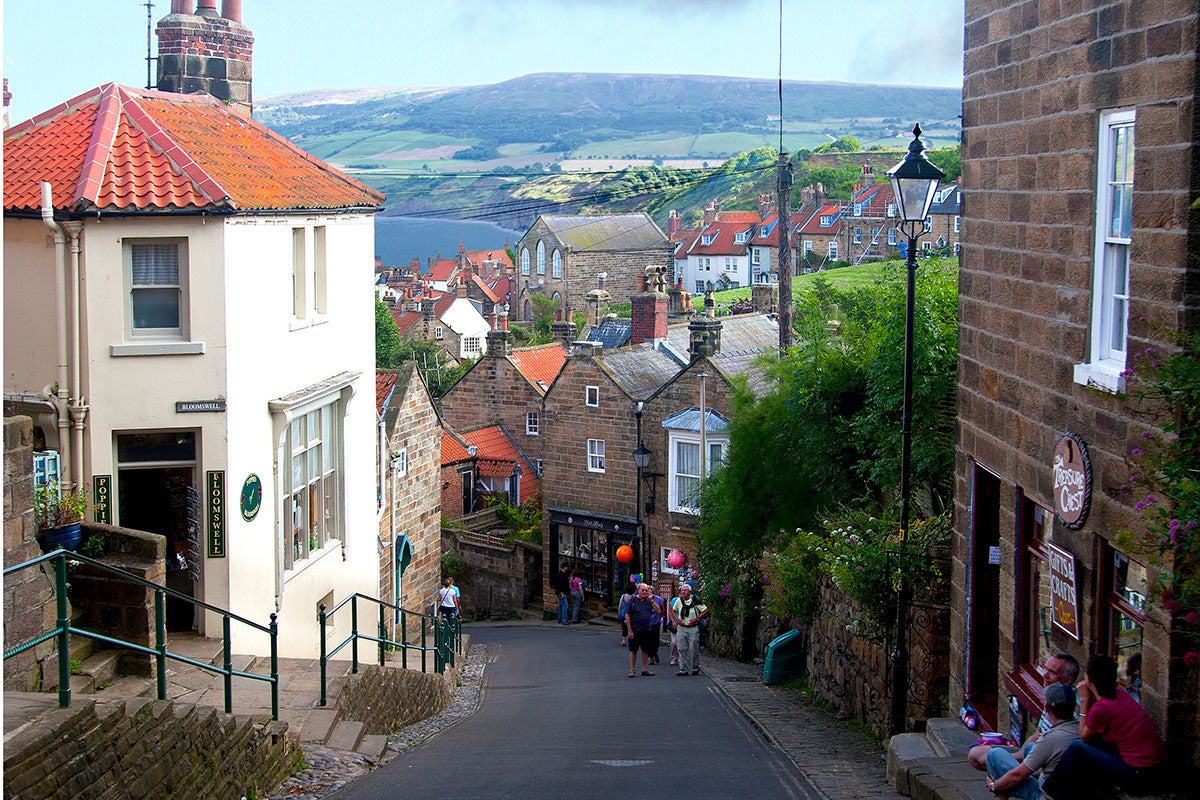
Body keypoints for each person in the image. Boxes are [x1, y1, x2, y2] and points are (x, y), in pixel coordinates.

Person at [1042, 654, 1166, 799]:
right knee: (1087, 754)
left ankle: (1051, 794)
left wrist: (1084, 699)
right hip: (1153, 768)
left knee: (1076, 747)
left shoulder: (1102, 708)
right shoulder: (1121, 695)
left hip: (1138, 774)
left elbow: (1083, 737)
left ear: (1089, 678)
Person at [968, 652, 1079, 771]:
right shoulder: (1051, 694)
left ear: (1068, 679)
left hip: (1045, 763)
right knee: (976, 755)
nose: (1045, 675)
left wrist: (1016, 762)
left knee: (995, 763)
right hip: (1031, 753)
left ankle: (1005, 782)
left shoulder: (1072, 704)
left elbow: (1060, 755)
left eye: (1052, 672)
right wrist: (1020, 754)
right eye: (1045, 669)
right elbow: (1038, 734)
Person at [983, 682, 1079, 799]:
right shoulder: (1080, 731)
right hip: (1069, 790)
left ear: (1048, 707)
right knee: (1030, 748)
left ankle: (1002, 794)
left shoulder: (1050, 739)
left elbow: (1017, 776)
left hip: (1047, 796)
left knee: (994, 755)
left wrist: (994, 785)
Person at [669, 583, 709, 676]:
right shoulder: (678, 600)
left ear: (689, 592)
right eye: (682, 590)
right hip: (682, 628)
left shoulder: (695, 599)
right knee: (682, 649)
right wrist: (677, 620)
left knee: (693, 648)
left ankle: (695, 668)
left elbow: (705, 610)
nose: (683, 592)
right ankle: (683, 669)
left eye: (685, 590)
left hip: (693, 628)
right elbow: (673, 610)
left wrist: (696, 619)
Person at [624, 583, 661, 677]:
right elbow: (627, 616)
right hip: (635, 629)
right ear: (638, 590)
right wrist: (629, 630)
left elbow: (658, 611)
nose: (645, 592)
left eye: (646, 590)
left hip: (647, 629)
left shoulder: (649, 601)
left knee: (645, 650)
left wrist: (652, 601)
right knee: (633, 650)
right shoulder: (632, 600)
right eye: (643, 590)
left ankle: (644, 669)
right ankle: (632, 670)